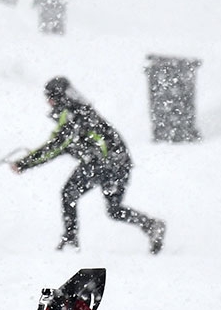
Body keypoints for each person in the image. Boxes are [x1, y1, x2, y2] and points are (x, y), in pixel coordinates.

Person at [11, 76, 165, 254]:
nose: (48, 102)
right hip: (120, 163)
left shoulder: (72, 118)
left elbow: (55, 147)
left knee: (69, 194)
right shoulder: (82, 113)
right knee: (114, 210)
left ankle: (70, 238)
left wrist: (24, 164)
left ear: (60, 98)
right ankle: (151, 225)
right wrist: (33, 159)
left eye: (50, 97)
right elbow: (62, 146)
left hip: (102, 164)